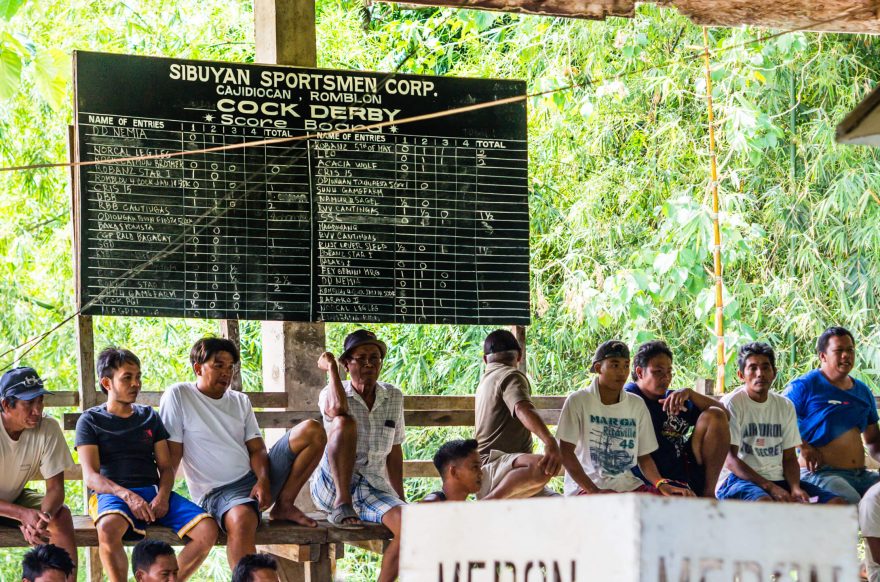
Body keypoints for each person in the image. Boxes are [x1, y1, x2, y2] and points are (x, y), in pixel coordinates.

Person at [159, 337, 327, 568]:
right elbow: (172, 455)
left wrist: (263, 480)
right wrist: (161, 494)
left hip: (256, 479)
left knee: (313, 430)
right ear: (198, 368)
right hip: (217, 493)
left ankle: (284, 504)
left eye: (230, 367)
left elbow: (257, 449)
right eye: (218, 365)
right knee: (241, 519)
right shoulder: (179, 395)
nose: (226, 373)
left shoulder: (240, 401)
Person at [76, 348, 217, 582]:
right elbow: (91, 477)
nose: (136, 384)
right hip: (111, 495)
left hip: (152, 494)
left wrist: (162, 496)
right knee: (108, 529)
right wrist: (128, 496)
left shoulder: (149, 417)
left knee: (208, 530)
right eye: (127, 378)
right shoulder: (90, 421)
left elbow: (166, 466)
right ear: (106, 382)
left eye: (138, 377)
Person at [783, 327, 880, 577]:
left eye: (850, 350)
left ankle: (872, 569)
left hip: (863, 474)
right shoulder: (805, 386)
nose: (846, 355)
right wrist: (802, 444)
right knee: (851, 505)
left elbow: (874, 442)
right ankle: (847, 568)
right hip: (823, 475)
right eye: (839, 351)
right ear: (823, 356)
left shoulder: (862, 391)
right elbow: (780, 418)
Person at [312, 329, 405, 582]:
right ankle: (343, 503)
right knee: (345, 423)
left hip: (373, 487)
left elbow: (395, 449)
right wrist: (331, 368)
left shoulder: (393, 396)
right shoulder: (333, 393)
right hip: (333, 487)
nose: (368, 364)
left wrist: (400, 495)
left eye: (374, 358)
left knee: (410, 526)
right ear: (346, 364)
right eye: (360, 358)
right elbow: (338, 410)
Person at [556, 340, 693, 497]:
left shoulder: (636, 404)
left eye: (626, 365)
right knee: (613, 507)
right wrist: (594, 491)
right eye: (615, 365)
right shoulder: (578, 401)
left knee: (676, 501)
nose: (621, 371)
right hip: (586, 488)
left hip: (628, 486)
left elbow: (644, 457)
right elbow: (565, 453)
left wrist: (661, 484)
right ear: (598, 368)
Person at [716, 342, 844, 504]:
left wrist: (796, 488)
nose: (760, 373)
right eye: (753, 368)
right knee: (766, 503)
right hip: (738, 481)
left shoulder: (784, 405)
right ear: (741, 375)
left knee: (837, 504)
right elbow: (731, 460)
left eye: (765, 367)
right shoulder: (732, 403)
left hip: (780, 480)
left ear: (774, 373)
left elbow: (789, 457)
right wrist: (770, 488)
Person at [625, 340, 730, 497]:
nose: (666, 377)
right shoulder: (628, 398)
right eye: (658, 372)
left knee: (715, 415)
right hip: (649, 478)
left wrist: (690, 393)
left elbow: (724, 415)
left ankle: (708, 493)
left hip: (683, 471)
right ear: (640, 373)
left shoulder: (673, 398)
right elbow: (640, 456)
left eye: (669, 371)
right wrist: (660, 483)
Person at [0, 367, 76, 580]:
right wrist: (21, 514)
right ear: (6, 404)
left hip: (12, 498)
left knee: (61, 515)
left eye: (40, 401)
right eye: (28, 403)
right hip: (12, 506)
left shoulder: (48, 427)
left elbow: (56, 489)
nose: (37, 410)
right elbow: (21, 513)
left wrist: (41, 519)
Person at [474, 330, 561, 499]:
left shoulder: (486, 381)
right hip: (495, 469)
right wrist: (550, 441)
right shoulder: (511, 374)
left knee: (560, 505)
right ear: (519, 356)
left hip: (506, 473)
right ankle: (489, 503)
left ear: (486, 360)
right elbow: (522, 409)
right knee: (541, 467)